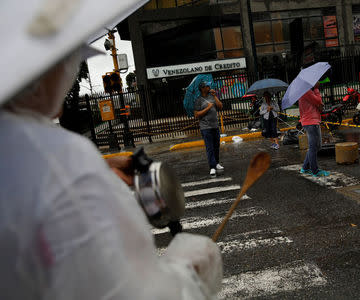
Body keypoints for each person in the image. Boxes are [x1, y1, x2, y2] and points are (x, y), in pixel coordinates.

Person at [0, 2, 223, 299]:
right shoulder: (62, 159)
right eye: (67, 58)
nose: (70, 70)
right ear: (41, 68)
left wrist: (99, 174)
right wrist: (187, 270)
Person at [298, 83, 330, 177]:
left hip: (312, 121)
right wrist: (316, 89)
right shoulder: (306, 91)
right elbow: (318, 100)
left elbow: (316, 104)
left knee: (317, 146)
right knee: (313, 147)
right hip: (311, 122)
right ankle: (315, 171)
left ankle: (305, 167)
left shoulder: (306, 91)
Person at [194, 81, 224, 177]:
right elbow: (196, 114)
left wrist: (215, 96)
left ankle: (216, 163)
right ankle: (212, 167)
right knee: (209, 147)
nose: (209, 87)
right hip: (205, 127)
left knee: (216, 146)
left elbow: (220, 106)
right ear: (202, 88)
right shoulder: (198, 100)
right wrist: (208, 108)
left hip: (215, 125)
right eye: (207, 86)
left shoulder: (212, 97)